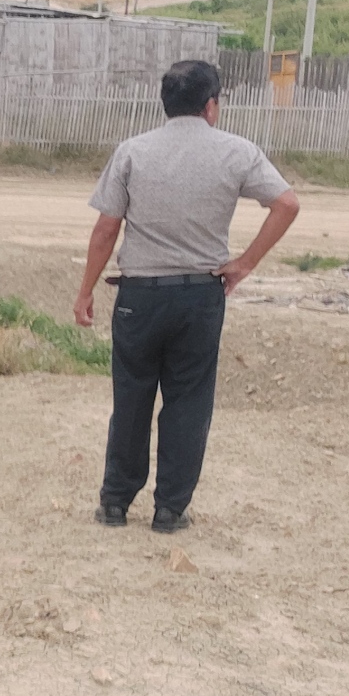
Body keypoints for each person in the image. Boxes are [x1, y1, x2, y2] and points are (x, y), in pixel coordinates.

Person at [72, 60, 301, 532]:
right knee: (189, 402)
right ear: (211, 105)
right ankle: (170, 509)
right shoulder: (237, 152)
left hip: (139, 296)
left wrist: (86, 290)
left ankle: (115, 502)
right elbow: (287, 203)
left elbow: (105, 230)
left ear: (165, 103)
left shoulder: (133, 152)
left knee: (131, 397)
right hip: (200, 295)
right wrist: (246, 262)